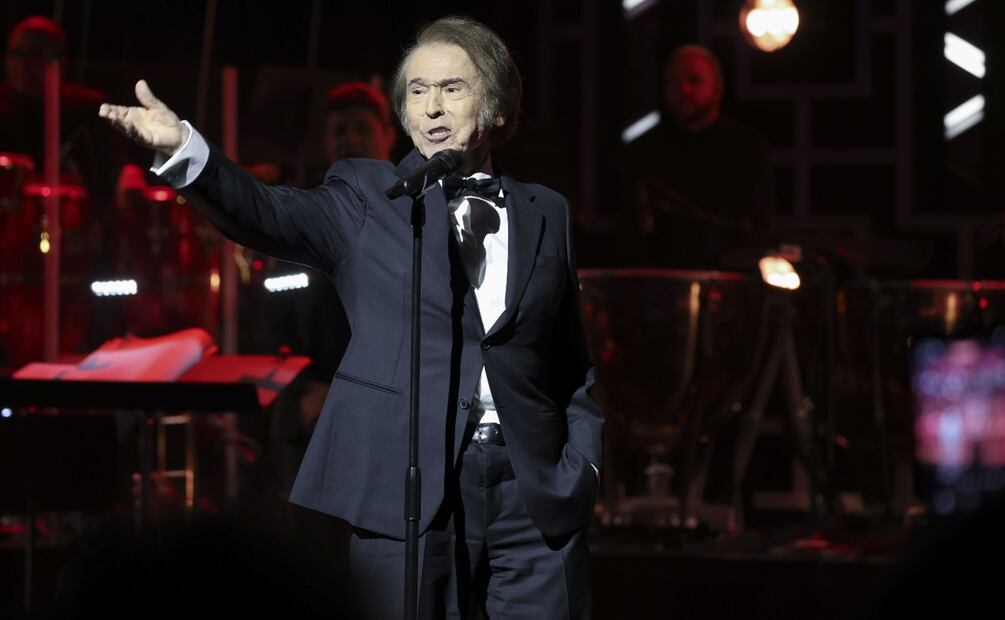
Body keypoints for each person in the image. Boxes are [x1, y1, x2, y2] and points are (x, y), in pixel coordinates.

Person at [100, 15, 603, 619]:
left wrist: (586, 462)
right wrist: (185, 149)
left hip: (535, 490)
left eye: (452, 88)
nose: (432, 107)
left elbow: (572, 361)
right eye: (417, 92)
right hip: (410, 484)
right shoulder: (370, 196)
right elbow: (265, 211)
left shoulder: (547, 211)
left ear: (495, 107)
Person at [629, 44, 775, 269]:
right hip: (661, 284)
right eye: (675, 82)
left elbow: (758, 226)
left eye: (694, 81)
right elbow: (632, 233)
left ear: (717, 89)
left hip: (730, 283)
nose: (684, 90)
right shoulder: (643, 151)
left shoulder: (748, 147)